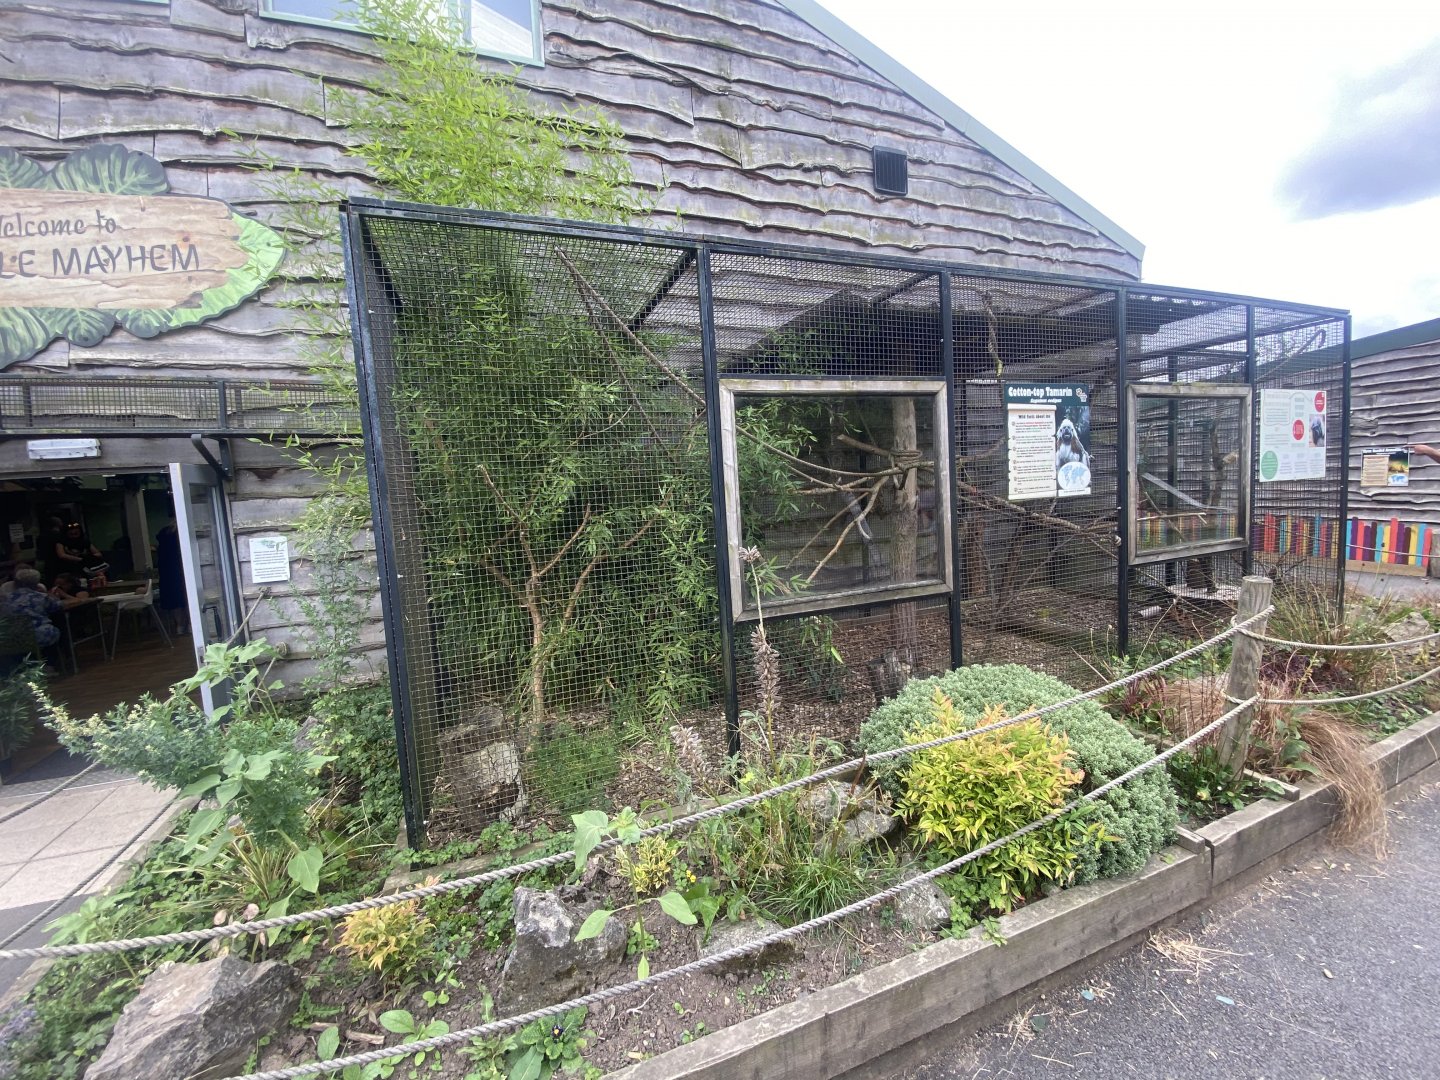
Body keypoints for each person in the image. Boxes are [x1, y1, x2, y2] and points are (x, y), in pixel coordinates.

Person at [1, 567, 67, 649]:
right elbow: (58, 606)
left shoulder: (5, 599)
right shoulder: (41, 597)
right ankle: (63, 654)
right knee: (57, 626)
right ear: (36, 583)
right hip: (37, 637)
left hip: (10, 640)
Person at [53, 521, 107, 587]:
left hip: (85, 568)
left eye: (76, 531)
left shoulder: (84, 541)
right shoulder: (61, 542)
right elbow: (61, 555)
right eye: (71, 531)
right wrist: (79, 559)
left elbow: (98, 553)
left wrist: (87, 558)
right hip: (68, 569)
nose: (73, 532)